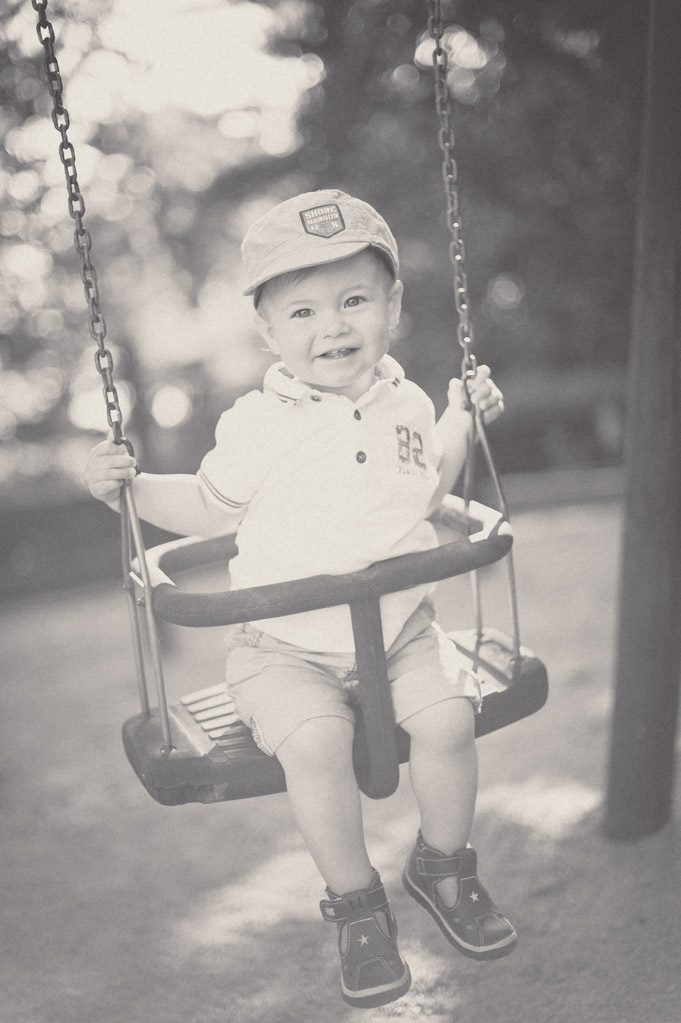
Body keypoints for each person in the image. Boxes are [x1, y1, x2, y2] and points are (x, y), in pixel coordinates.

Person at [85, 190, 516, 1010]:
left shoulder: (407, 403)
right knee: (316, 743)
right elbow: (208, 506)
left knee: (449, 721)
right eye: (303, 311)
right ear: (268, 331)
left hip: (399, 630)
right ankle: (357, 905)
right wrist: (128, 492)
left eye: (354, 300)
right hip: (282, 648)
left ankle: (442, 865)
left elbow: (426, 489)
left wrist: (460, 417)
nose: (332, 326)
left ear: (391, 305)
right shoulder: (257, 423)